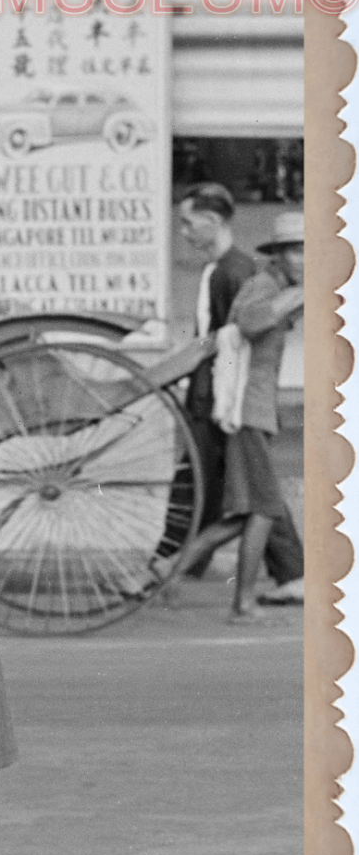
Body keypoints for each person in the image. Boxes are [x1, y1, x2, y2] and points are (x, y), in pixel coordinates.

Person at [176, 183, 304, 604]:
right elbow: (246, 324)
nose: (304, 261)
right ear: (280, 255)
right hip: (242, 408)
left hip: (245, 406)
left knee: (246, 509)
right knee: (258, 508)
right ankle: (246, 600)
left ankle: (171, 577)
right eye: (296, 251)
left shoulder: (251, 276)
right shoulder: (262, 282)